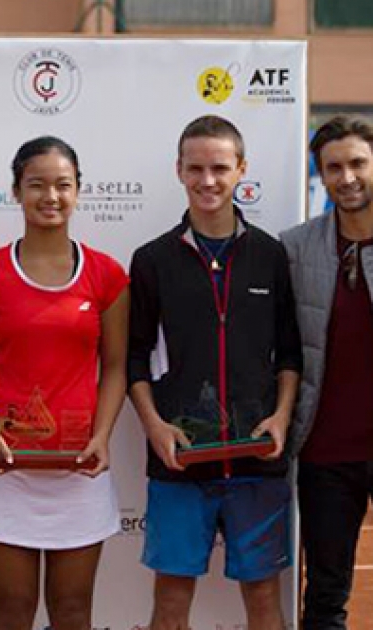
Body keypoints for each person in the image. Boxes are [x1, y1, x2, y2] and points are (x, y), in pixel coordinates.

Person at [127, 115, 301, 630]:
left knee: (265, 599)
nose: (208, 180)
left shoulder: (271, 254)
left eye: (220, 168)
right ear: (178, 170)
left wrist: (281, 418)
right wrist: (155, 427)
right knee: (172, 601)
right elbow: (134, 357)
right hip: (181, 462)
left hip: (258, 460)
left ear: (241, 169)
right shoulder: (152, 259)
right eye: (196, 168)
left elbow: (290, 353)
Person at [0, 136, 129, 630]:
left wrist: (101, 435)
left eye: (63, 185)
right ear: (16, 191)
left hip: (80, 471)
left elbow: (116, 366)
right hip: (7, 470)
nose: (50, 197)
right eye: (37, 185)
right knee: (12, 612)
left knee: (73, 612)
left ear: (79, 191)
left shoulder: (107, 275)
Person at [281, 116, 373, 630]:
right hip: (325, 453)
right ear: (320, 174)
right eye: (334, 167)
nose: (347, 177)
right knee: (325, 595)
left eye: (358, 163)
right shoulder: (294, 248)